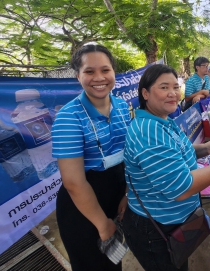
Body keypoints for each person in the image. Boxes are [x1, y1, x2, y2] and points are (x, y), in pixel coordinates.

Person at [122, 64, 210, 271]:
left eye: (175, 86)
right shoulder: (149, 132)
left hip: (174, 221)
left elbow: (176, 152)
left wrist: (205, 149)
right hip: (156, 228)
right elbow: (181, 188)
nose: (173, 93)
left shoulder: (162, 120)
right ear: (145, 93)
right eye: (164, 88)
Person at [51, 44, 131, 271]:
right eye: (89, 71)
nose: (99, 78)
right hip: (83, 209)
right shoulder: (68, 117)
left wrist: (126, 194)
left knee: (113, 263)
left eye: (105, 70)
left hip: (115, 197)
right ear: (78, 76)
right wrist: (102, 224)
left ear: (114, 73)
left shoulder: (122, 107)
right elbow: (74, 182)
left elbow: (126, 156)